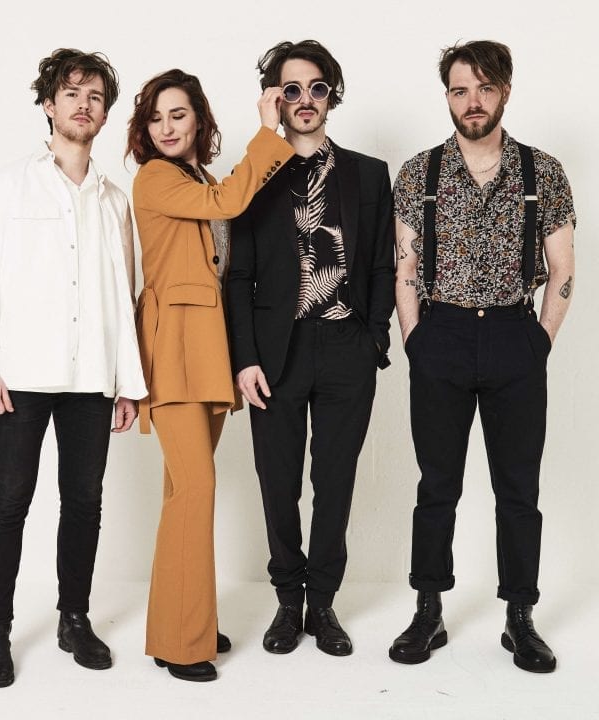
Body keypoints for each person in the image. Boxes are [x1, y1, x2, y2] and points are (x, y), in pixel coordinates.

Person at [0, 49, 146, 688]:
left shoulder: (115, 201)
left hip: (92, 378)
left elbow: (123, 296)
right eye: (71, 93)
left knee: (85, 502)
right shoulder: (8, 186)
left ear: (104, 114)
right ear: (48, 104)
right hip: (22, 375)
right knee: (8, 500)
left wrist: (127, 383)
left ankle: (74, 618)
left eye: (95, 97)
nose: (83, 105)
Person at [387, 40, 576, 673]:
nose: (472, 101)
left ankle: (520, 617)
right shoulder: (420, 172)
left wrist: (538, 342)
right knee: (436, 485)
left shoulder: (542, 171)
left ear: (505, 92)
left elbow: (562, 268)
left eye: (484, 88)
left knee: (518, 488)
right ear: (447, 96)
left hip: (513, 336)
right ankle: (428, 611)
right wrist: (415, 339)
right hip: (439, 336)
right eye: (460, 90)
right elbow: (405, 267)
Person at [226, 40, 395, 657]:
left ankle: (322, 602)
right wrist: (245, 357)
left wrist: (374, 338)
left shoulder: (369, 174)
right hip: (277, 353)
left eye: (316, 87)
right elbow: (238, 276)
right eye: (290, 89)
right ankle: (286, 601)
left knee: (335, 480)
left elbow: (381, 263)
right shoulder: (254, 173)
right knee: (277, 482)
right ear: (274, 98)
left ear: (331, 95)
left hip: (348, 346)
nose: (305, 99)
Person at [127, 69, 294, 682]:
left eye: (178, 114)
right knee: (196, 490)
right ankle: (183, 641)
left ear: (198, 118)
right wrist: (268, 131)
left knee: (184, 493)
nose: (167, 127)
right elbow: (229, 203)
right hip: (173, 352)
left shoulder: (197, 177)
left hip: (207, 353)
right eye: (156, 118)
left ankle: (182, 616)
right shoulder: (155, 177)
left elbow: (222, 225)